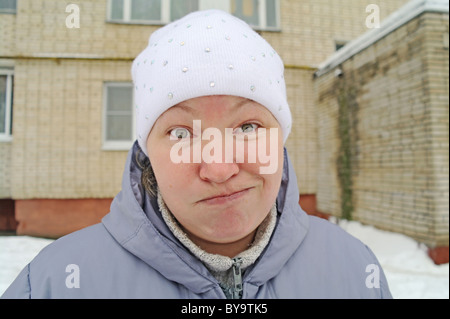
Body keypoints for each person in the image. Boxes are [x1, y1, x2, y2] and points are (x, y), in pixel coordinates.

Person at [2, 10, 392, 299]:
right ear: (146, 153)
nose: (220, 167)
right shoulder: (54, 285)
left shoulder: (356, 273)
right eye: (181, 133)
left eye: (248, 127)